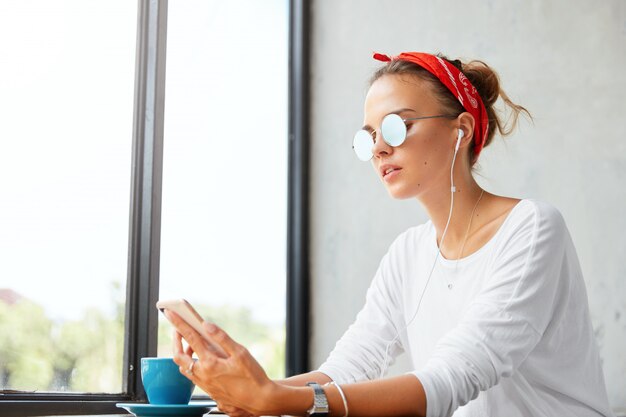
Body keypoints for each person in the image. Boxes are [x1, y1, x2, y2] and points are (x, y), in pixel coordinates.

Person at [164, 51, 614, 417]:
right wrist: (254, 391)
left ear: (461, 130)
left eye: (397, 126)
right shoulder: (409, 253)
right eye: (369, 136)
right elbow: (349, 369)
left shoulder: (532, 227)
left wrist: (277, 399)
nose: (379, 147)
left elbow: (449, 380)